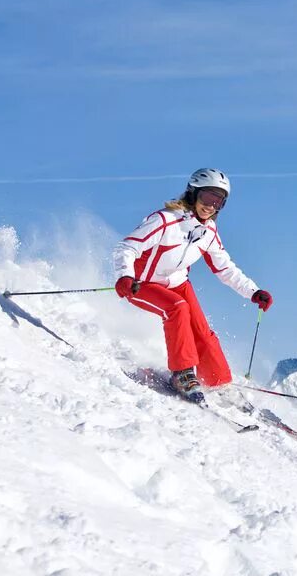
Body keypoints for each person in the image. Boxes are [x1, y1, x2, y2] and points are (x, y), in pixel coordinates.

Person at [111, 168, 272, 403]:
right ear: (193, 193)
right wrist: (124, 276)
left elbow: (224, 267)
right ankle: (182, 374)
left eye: (219, 202)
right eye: (207, 197)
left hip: (177, 284)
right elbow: (126, 247)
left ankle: (219, 383)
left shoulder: (208, 231)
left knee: (202, 331)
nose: (211, 206)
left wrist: (253, 292)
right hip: (141, 283)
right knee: (177, 308)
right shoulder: (165, 220)